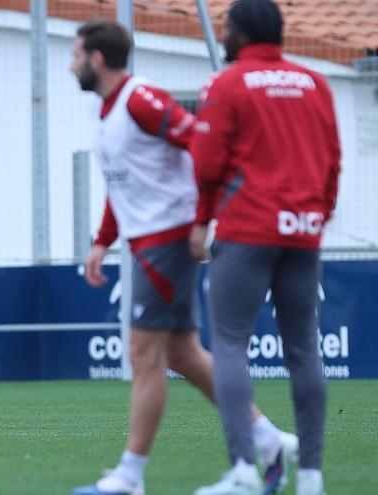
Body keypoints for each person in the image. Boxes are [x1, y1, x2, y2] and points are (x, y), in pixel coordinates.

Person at [68, 20, 297, 495]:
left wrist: (200, 218)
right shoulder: (105, 109)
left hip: (166, 241)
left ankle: (130, 476)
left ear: (95, 59)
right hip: (149, 242)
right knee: (182, 353)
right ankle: (269, 438)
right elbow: (121, 180)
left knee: (142, 353)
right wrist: (101, 239)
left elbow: (202, 143)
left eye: (75, 55)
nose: (71, 63)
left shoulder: (140, 98)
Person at [190, 1, 340, 494]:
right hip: (303, 230)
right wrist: (319, 213)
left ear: (240, 32)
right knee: (303, 346)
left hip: (247, 229)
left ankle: (243, 472)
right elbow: (332, 159)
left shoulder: (225, 84)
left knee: (231, 344)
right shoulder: (315, 83)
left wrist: (201, 221)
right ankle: (313, 477)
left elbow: (207, 166)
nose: (223, 34)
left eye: (226, 27)